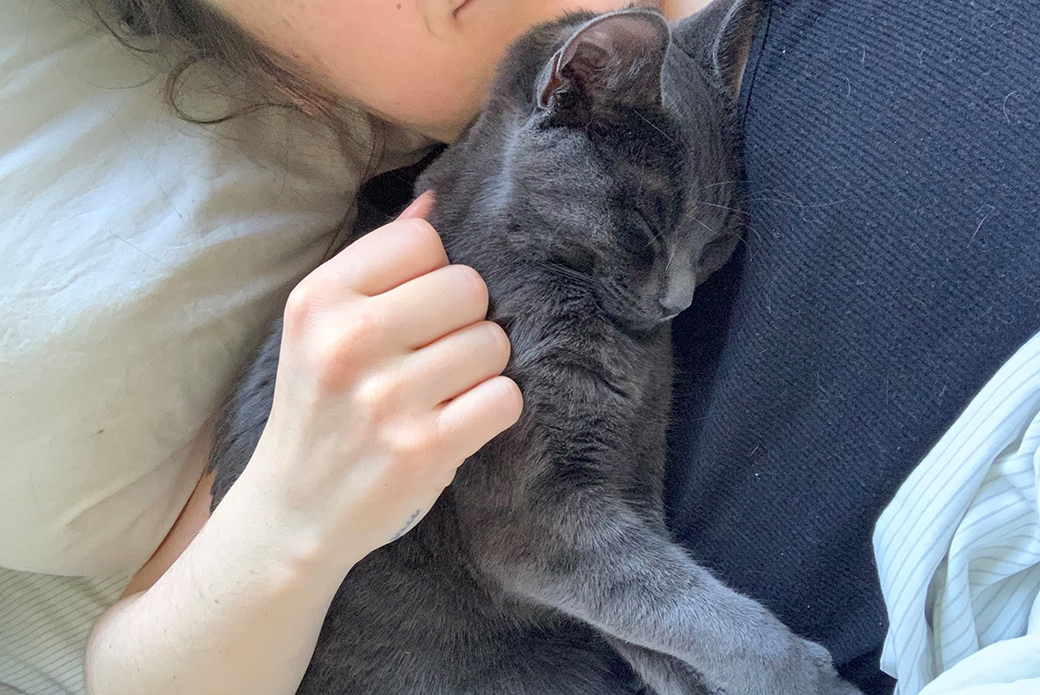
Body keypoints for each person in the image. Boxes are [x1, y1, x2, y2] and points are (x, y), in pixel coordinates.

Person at [2, 1, 1037, 695]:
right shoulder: (388, 273)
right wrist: (285, 521)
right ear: (306, 93)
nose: (671, 290)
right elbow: (139, 666)